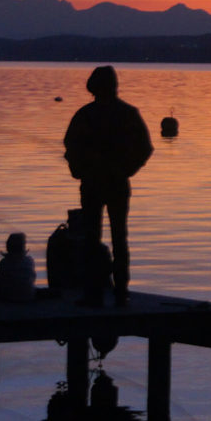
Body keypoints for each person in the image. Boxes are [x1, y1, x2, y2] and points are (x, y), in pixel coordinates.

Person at [63, 66, 153, 307]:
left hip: (96, 183)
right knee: (118, 238)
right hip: (114, 184)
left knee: (93, 239)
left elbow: (70, 147)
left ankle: (94, 293)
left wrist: (79, 168)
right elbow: (145, 148)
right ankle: (120, 292)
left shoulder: (85, 115)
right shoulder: (127, 113)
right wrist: (126, 170)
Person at [0, 233, 36, 302]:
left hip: (6, 297)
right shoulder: (29, 261)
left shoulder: (2, 263)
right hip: (28, 296)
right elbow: (33, 278)